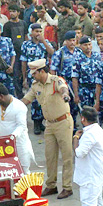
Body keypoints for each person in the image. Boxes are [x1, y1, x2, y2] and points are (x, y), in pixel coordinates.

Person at [24, 58, 75, 198]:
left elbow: (63, 88)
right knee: (50, 156)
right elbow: (26, 100)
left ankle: (67, 187)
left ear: (41, 71)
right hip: (49, 125)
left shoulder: (55, 80)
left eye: (34, 73)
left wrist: (65, 95)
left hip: (63, 122)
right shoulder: (36, 86)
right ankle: (51, 185)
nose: (32, 76)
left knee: (66, 156)